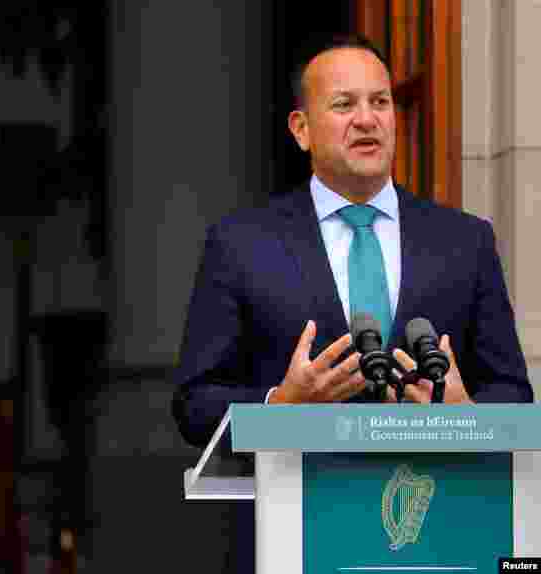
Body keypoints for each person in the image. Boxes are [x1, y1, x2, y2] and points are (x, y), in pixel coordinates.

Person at [171, 34, 533, 572]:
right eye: (344, 104)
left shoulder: (465, 242)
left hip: (440, 538)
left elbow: (513, 393)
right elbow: (195, 403)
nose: (367, 119)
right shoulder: (242, 244)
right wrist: (279, 408)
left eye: (380, 102)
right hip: (298, 536)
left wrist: (469, 416)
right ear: (301, 129)